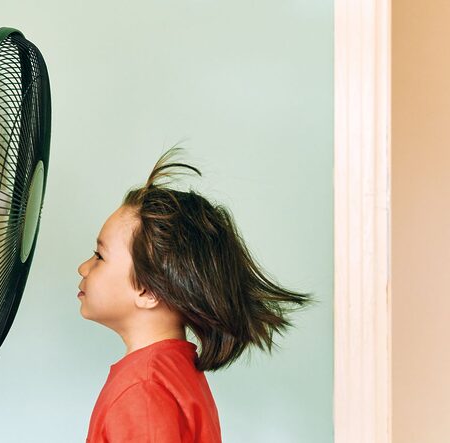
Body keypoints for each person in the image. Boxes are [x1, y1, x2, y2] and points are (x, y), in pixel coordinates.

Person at [77, 147, 311, 442]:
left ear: (148, 290)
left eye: (99, 256)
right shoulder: (174, 371)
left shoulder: (144, 387)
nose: (83, 267)